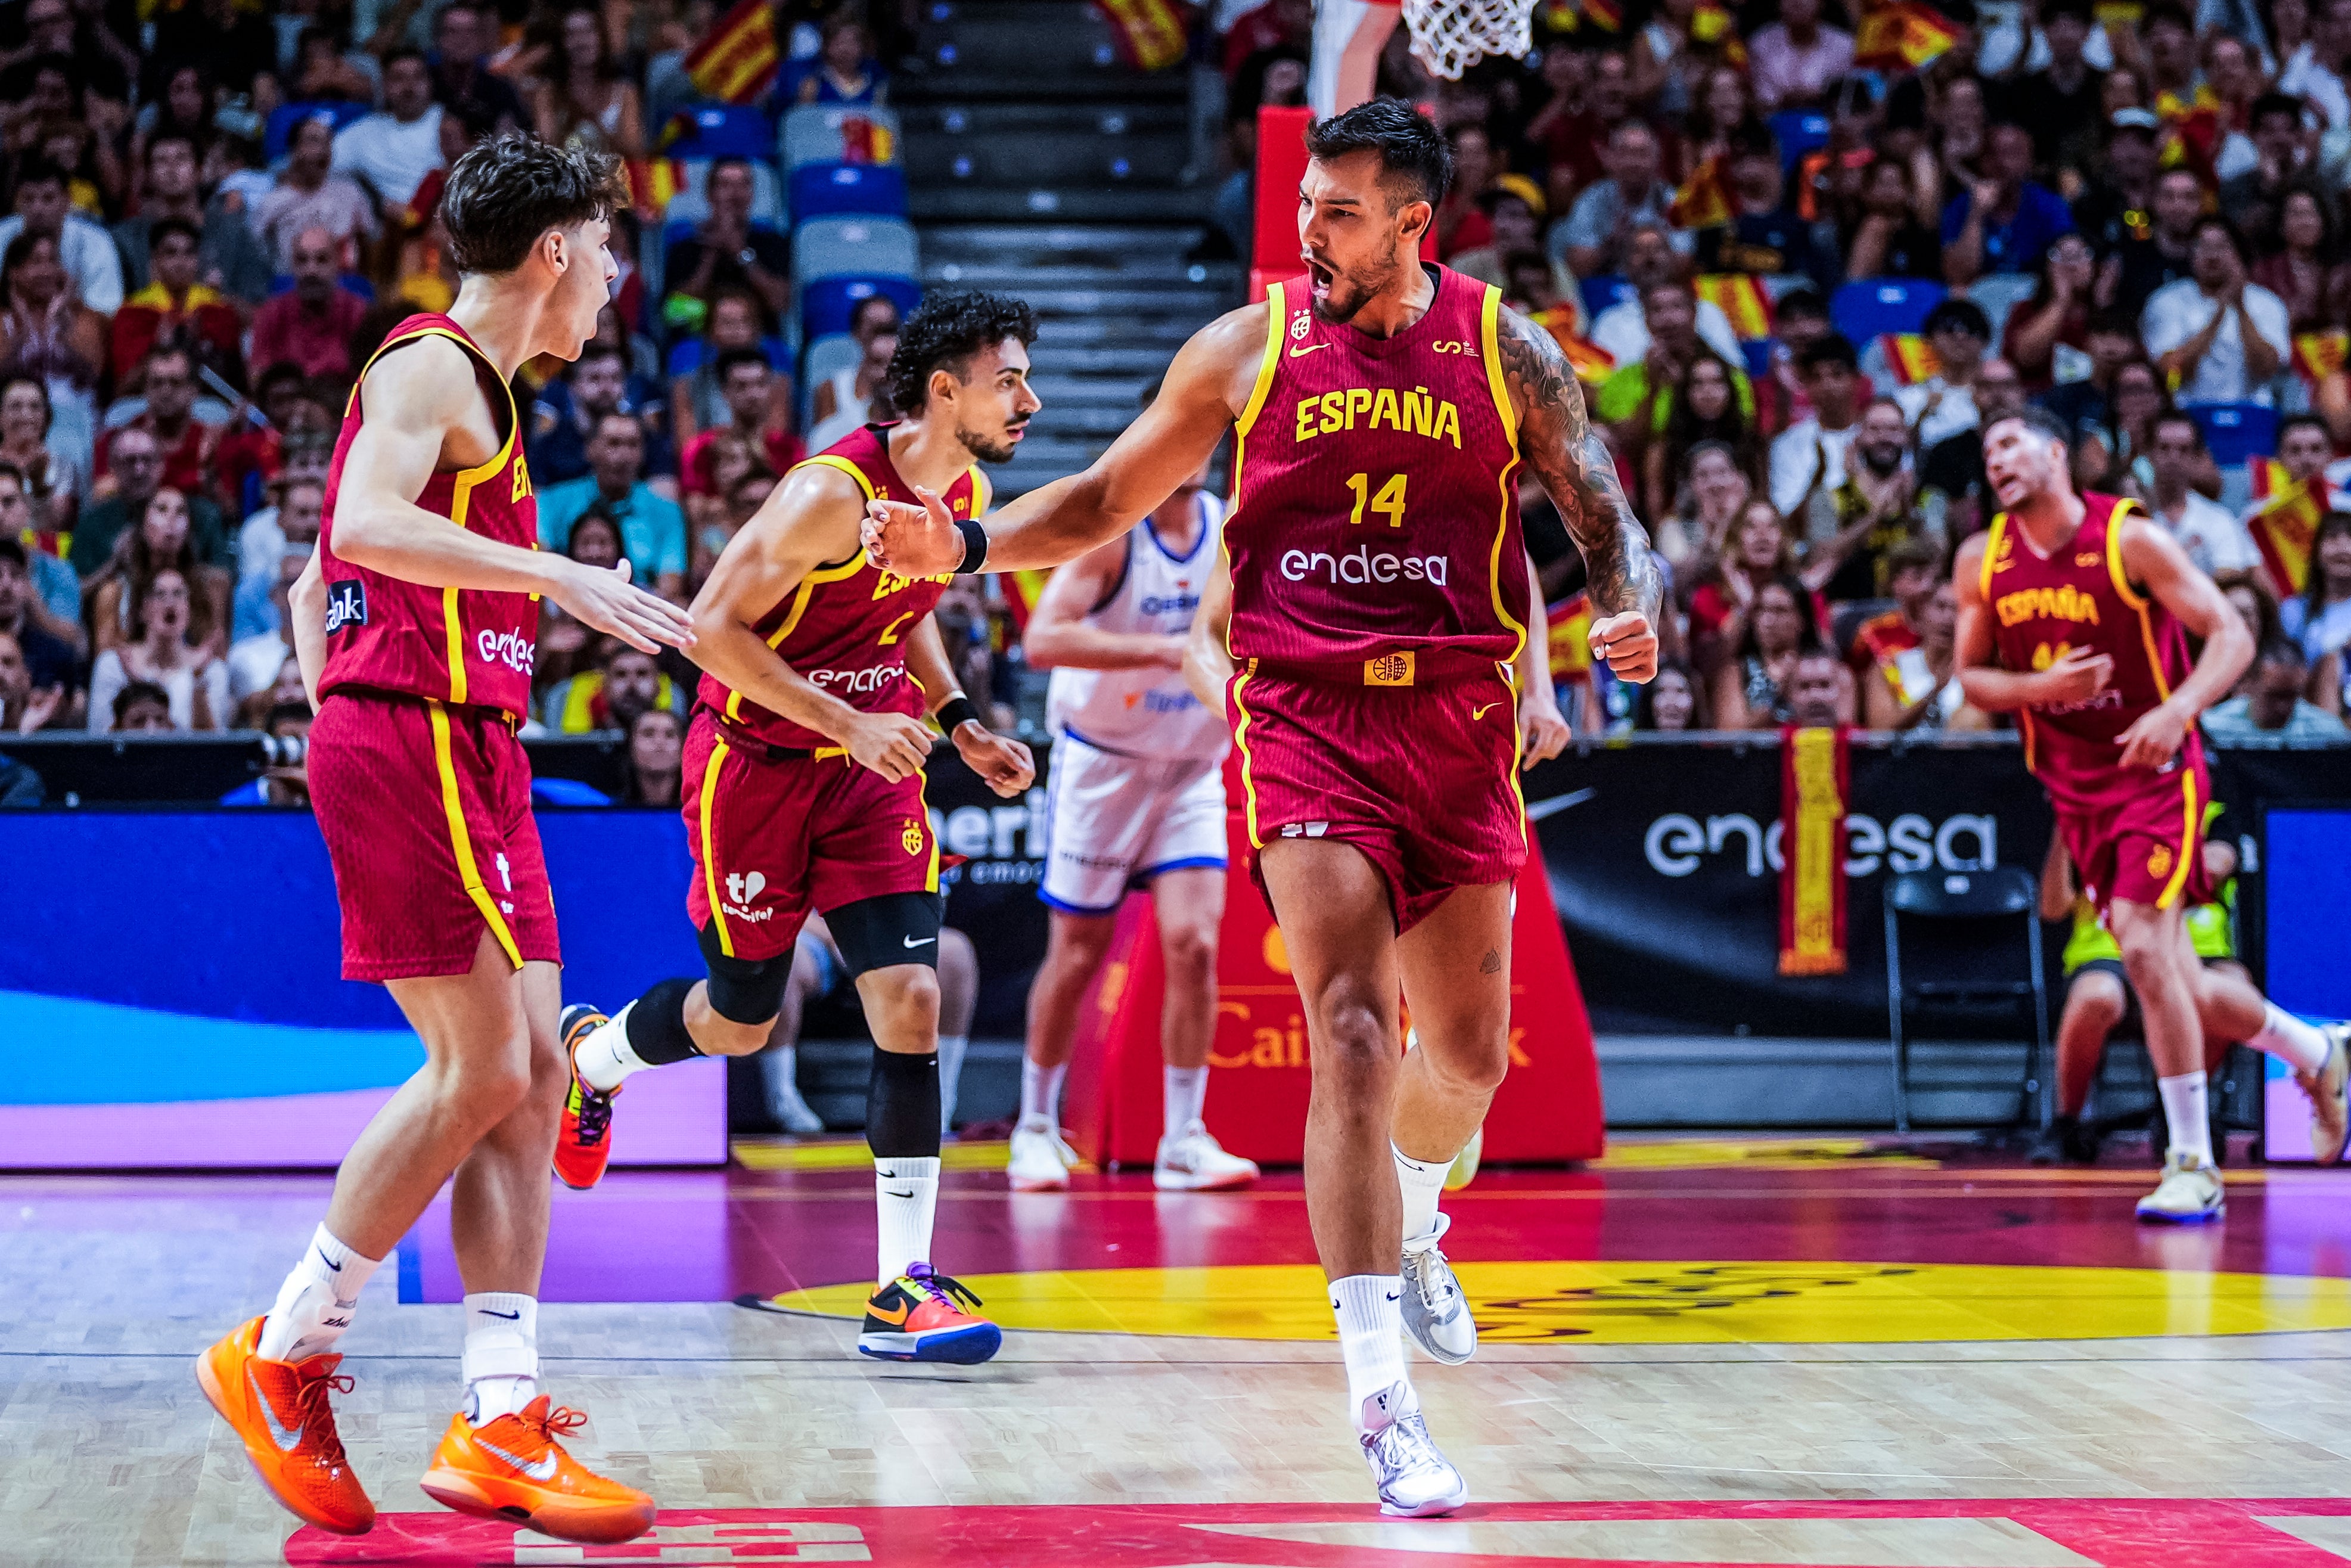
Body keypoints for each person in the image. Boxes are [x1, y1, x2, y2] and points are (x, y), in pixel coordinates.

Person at [860, 100, 1642, 1515]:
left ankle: (1417, 1212)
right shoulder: (1248, 343)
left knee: (1464, 1057)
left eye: (1340, 211)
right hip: (1304, 717)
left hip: (1458, 718)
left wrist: (1629, 604)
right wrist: (968, 541)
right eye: (1303, 206)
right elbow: (1099, 492)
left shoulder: (1501, 344)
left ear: (1417, 220)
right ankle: (1379, 1400)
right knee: (1346, 1023)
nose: (1307, 230)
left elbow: (1590, 492)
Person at [195, 133, 692, 1545]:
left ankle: (499, 1410)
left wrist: (334, 678)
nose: (611, 278)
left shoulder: (495, 399)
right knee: (480, 1066)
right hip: (414, 734)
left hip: (464, 740)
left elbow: (309, 584)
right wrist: (544, 580)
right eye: (604, 247)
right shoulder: (433, 367)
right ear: (552, 251)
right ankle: (283, 1348)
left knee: (533, 1078)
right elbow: (354, 524)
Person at [552, 290, 1040, 1370]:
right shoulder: (828, 492)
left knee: (909, 1000)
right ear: (946, 388)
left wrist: (958, 723)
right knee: (741, 1020)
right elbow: (710, 632)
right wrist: (847, 723)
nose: (1031, 400)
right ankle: (593, 1057)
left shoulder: (964, 492)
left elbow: (904, 621)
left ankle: (903, 1284)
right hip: (757, 767)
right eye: (1010, 379)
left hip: (870, 776)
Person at [1951, 406, 2350, 1223]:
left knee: (2139, 942)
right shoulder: (1980, 558)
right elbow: (1972, 676)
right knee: (2180, 981)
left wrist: (2178, 709)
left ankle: (2192, 1162)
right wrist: (2039, 691)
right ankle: (2321, 1050)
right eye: (1986, 450)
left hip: (2157, 771)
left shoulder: (2127, 539)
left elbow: (2231, 634)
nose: (1995, 459)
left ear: (2055, 450)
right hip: (2074, 785)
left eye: (2010, 442)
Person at [1011, 398, 1259, 1194]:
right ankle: (1035, 1126)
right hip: (1105, 763)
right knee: (1077, 952)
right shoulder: (1115, 536)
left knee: (1196, 943)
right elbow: (1044, 638)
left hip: (1189, 765)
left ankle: (1184, 1137)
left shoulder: (1232, 527)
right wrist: (1169, 648)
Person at [2034, 818, 2243, 1165]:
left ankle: (2177, 1113)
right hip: (2107, 955)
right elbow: (2052, 909)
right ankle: (2067, 1124)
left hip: (2194, 953)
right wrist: (2066, 831)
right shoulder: (2090, 813)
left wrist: (2146, 850)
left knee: (2230, 992)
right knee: (2095, 996)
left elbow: (2216, 865)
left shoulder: (2206, 812)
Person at [535, 413, 688, 601]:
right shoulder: (552, 502)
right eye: (614, 444)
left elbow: (670, 587)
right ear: (590, 450)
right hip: (566, 610)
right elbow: (540, 569)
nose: (624, 456)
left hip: (637, 612)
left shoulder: (667, 512)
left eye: (633, 445)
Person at [2140, 216, 2290, 406]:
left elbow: (2268, 369)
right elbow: (2172, 370)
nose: (2212, 255)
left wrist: (2240, 308)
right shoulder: (2166, 301)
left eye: (2222, 246)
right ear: (2190, 253)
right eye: (2202, 246)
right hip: (2187, 416)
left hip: (2252, 412)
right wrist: (2218, 315)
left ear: (2237, 253)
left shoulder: (2267, 302)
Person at [88, 567, 229, 732]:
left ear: (189, 610)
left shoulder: (211, 670)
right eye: (160, 594)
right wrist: (135, 688)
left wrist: (198, 686)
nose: (170, 603)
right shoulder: (114, 664)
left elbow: (216, 748)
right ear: (142, 610)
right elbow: (100, 740)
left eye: (178, 594)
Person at [254, 115, 380, 274]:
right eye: (313, 141)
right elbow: (256, 253)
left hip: (344, 285)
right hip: (291, 285)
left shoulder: (350, 193)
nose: (322, 150)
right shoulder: (273, 202)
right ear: (295, 150)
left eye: (327, 143)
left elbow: (371, 242)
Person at [0, 159, 123, 318]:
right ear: (18, 202)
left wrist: (62, 310)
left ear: (67, 201)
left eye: (48, 199)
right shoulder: (3, 234)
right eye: (29, 199)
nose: (38, 209)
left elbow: (107, 309)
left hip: (73, 327)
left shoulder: (96, 241)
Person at [2145, 412, 2260, 578]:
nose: (2174, 458)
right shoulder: (2134, 515)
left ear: (2196, 457)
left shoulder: (2218, 519)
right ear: (2150, 454)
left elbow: (2230, 577)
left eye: (2184, 450)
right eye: (2164, 448)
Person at [251, 228, 373, 382]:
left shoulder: (359, 313)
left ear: (337, 263)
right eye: (302, 260)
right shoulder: (272, 313)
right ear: (292, 265)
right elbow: (258, 378)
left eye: (322, 260)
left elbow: (369, 379)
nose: (311, 270)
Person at [333, 49, 446, 210]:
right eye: (399, 79)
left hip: (442, 219)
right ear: (385, 86)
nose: (409, 87)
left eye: (418, 77)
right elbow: (320, 167)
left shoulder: (449, 123)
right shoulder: (364, 131)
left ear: (430, 83)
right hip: (384, 224)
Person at [2201, 638, 2349, 741]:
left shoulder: (2327, 734)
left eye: (2291, 696)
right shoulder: (2214, 727)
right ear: (2252, 683)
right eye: (2274, 696)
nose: (2282, 707)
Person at [2284, 511, 2351, 670]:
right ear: (2316, 552)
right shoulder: (2292, 611)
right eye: (2332, 537)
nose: (2343, 548)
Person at [617, 703, 684, 805]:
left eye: (670, 735)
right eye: (648, 734)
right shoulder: (607, 812)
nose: (659, 742)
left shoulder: (705, 811)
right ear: (631, 746)